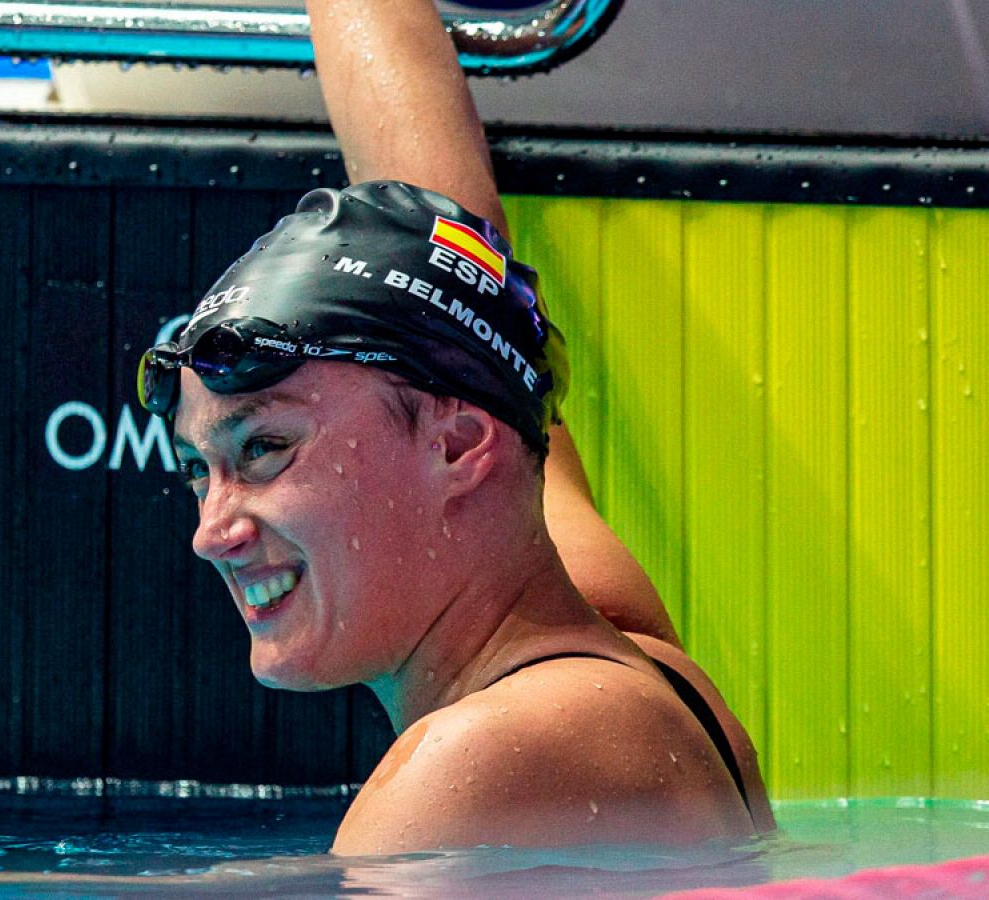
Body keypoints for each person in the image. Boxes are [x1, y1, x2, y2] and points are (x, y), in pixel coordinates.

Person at [135, 0, 774, 853]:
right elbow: (462, 268)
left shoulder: (476, 767)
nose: (213, 534)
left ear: (458, 447)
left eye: (264, 450)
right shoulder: (632, 658)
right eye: (199, 469)